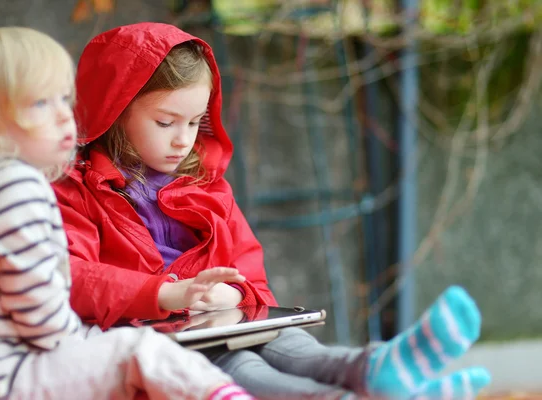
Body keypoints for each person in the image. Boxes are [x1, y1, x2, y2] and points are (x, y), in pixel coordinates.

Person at [53, 22, 491, 399]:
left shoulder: (208, 186)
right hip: (154, 344)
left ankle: (376, 370)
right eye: (165, 122)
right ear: (114, 113)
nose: (182, 139)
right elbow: (71, 277)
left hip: (216, 325)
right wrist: (166, 293)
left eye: (194, 122)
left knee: (295, 345)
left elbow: (250, 272)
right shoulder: (75, 189)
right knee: (244, 371)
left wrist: (238, 296)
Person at [0, 26, 255, 400]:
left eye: (63, 99)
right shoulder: (15, 188)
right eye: (41, 104)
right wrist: (91, 342)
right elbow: (42, 321)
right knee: (141, 352)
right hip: (4, 376)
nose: (65, 117)